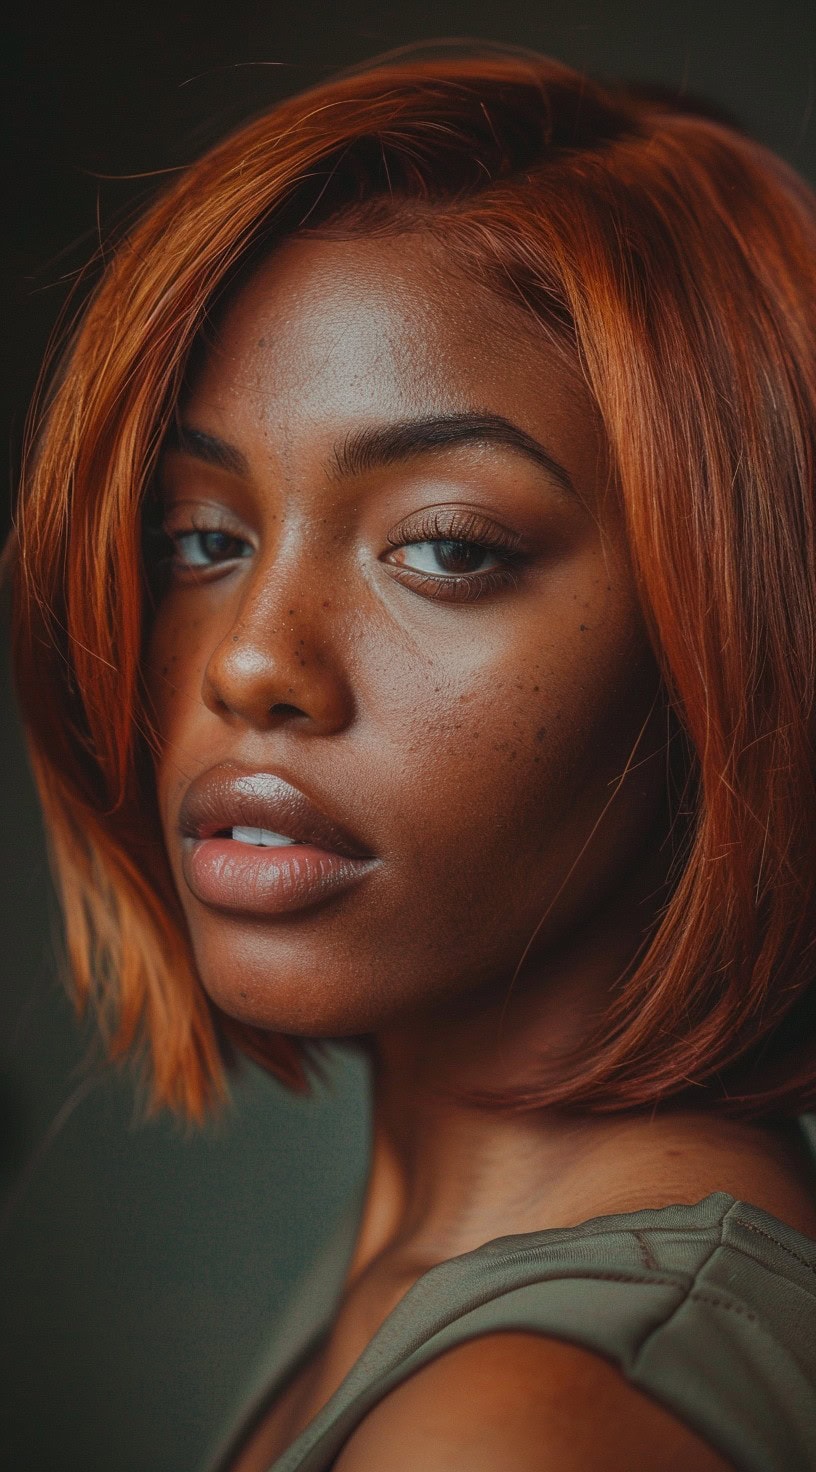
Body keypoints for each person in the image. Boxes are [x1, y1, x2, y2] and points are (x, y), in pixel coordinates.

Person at [8, 41, 816, 1472]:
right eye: (205, 539)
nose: (251, 658)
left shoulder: (526, 1422)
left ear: (733, 634)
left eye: (445, 547)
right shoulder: (449, 1269)